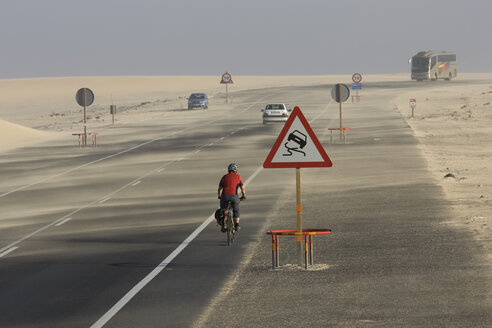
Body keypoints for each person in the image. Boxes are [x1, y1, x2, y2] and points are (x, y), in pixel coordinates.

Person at [218, 163, 246, 232]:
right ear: (236, 170)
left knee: (223, 210)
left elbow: (220, 188)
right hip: (234, 197)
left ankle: (223, 224)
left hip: (224, 197)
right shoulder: (238, 177)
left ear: (228, 170)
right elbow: (242, 188)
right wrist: (243, 196)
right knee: (236, 210)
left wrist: (219, 196)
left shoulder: (224, 177)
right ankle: (236, 224)